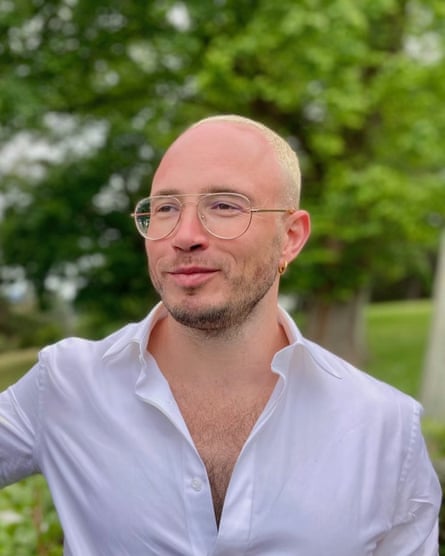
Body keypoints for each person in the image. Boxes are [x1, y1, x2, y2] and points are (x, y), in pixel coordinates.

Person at [0, 115, 441, 555]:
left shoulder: (384, 429)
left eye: (225, 206)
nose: (185, 236)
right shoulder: (65, 385)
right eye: (165, 209)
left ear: (290, 237)